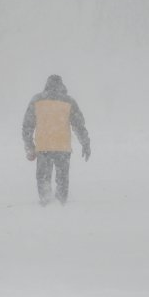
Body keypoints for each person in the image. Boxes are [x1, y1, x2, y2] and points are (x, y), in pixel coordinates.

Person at [22, 75, 90, 205]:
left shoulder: (37, 100)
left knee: (43, 178)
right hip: (62, 148)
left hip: (43, 148)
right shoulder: (68, 101)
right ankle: (61, 203)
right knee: (62, 179)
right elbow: (79, 125)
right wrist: (85, 143)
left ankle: (45, 201)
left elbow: (27, 126)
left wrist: (29, 146)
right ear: (62, 86)